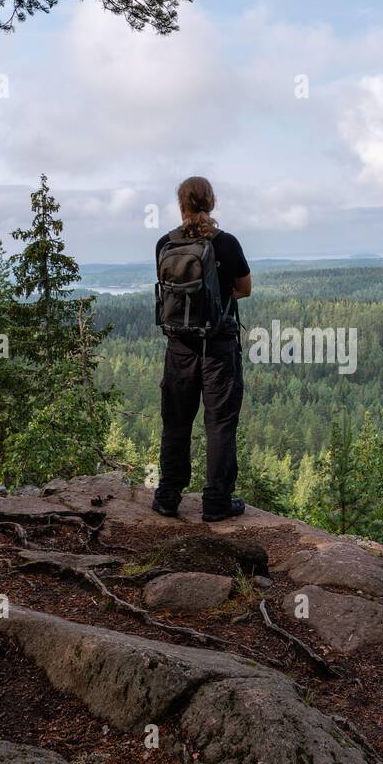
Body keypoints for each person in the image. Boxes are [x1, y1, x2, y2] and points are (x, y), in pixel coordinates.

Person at [151, 176, 251, 521]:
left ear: (180, 205)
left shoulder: (165, 244)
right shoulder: (226, 243)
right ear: (212, 202)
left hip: (179, 347)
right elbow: (245, 288)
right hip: (218, 348)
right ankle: (216, 502)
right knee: (220, 424)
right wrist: (218, 298)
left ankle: (167, 496)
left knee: (176, 422)